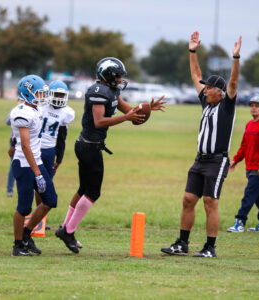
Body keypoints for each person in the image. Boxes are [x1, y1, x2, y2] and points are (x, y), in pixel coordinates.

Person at [55, 57, 165, 254]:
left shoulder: (112, 90)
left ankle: (65, 228)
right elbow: (99, 121)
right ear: (107, 75)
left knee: (83, 189)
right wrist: (126, 118)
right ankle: (68, 232)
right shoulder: (98, 91)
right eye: (117, 75)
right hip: (89, 147)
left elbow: (128, 110)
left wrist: (147, 108)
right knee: (92, 192)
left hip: (89, 145)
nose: (120, 79)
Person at [161, 31, 241, 258]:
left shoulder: (226, 106)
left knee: (209, 202)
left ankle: (210, 248)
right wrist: (192, 51)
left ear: (219, 92)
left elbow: (233, 82)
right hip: (200, 160)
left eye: (209, 89)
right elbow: (196, 74)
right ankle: (182, 244)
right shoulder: (206, 103)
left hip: (217, 160)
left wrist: (235, 58)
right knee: (188, 200)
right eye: (205, 89)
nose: (204, 90)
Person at [10, 74, 58, 256]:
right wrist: (37, 173)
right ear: (28, 93)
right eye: (38, 93)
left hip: (36, 161)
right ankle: (17, 245)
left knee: (50, 200)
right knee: (24, 207)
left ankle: (26, 235)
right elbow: (25, 145)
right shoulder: (22, 112)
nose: (42, 97)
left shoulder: (35, 109)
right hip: (24, 164)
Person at [227, 95, 259, 232]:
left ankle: (240, 221)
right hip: (250, 166)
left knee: (249, 194)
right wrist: (235, 160)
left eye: (257, 105)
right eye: (252, 105)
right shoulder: (249, 124)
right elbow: (244, 146)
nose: (253, 108)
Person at [34, 80, 75, 230]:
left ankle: (40, 219)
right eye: (56, 94)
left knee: (45, 185)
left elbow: (62, 137)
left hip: (49, 151)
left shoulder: (66, 113)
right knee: (36, 185)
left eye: (61, 95)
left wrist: (60, 158)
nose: (58, 97)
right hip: (35, 148)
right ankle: (37, 219)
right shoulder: (40, 106)